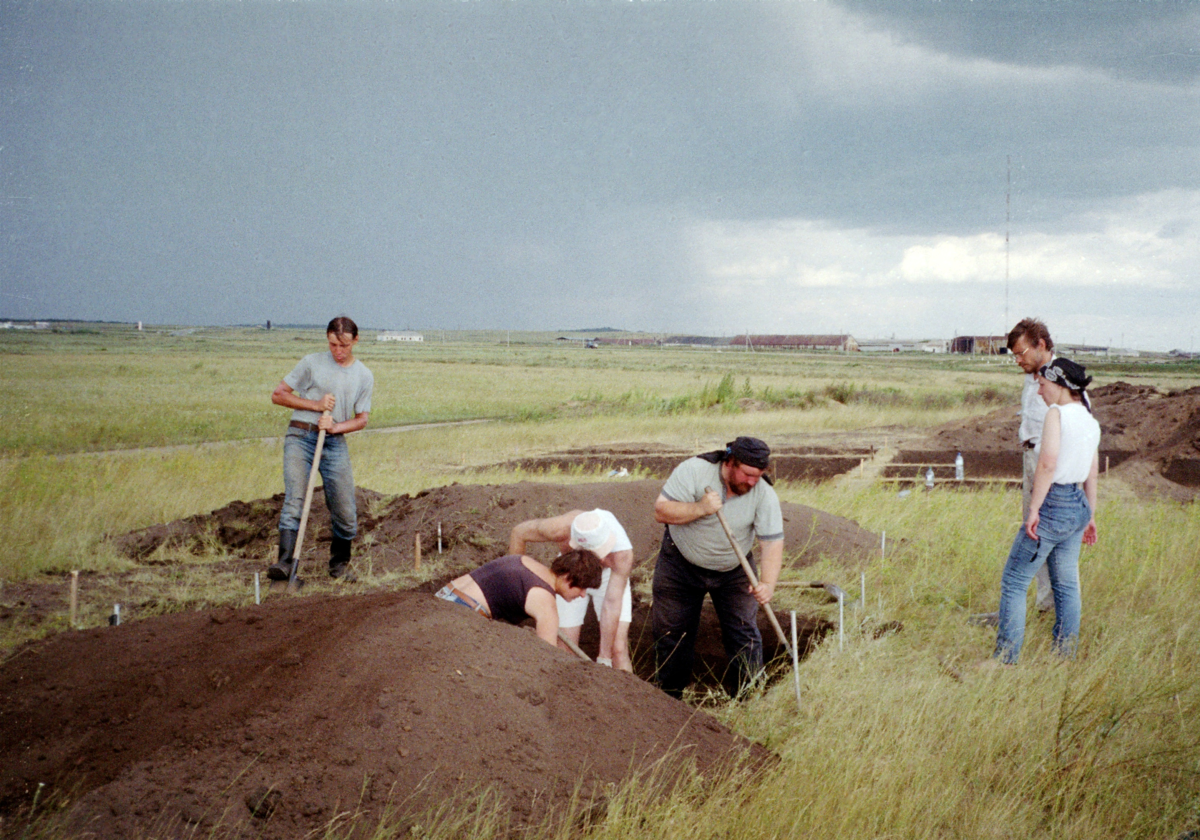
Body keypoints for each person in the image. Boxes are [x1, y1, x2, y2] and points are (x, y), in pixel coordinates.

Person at [651, 436, 784, 698]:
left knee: (744, 634)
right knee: (672, 634)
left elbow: (772, 542)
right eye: (747, 474)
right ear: (730, 462)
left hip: (735, 570)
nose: (752, 482)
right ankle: (669, 699)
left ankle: (748, 701)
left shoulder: (763, 493)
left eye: (758, 476)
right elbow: (661, 512)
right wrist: (701, 508)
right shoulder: (694, 471)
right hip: (680, 564)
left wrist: (767, 584)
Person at [992, 358, 1099, 664]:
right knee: (1066, 584)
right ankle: (1064, 655)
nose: (1039, 392)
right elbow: (1091, 473)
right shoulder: (1090, 420)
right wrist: (1090, 515)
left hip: (1052, 505)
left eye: (1042, 384)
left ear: (1059, 382)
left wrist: (1034, 509)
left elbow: (1047, 463)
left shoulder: (1057, 414)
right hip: (1076, 506)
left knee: (1014, 581)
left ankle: (1004, 659)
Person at [266, 316, 373, 583]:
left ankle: (339, 566)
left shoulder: (364, 375)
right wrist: (315, 406)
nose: (338, 351)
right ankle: (285, 564)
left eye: (344, 345)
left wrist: (336, 427)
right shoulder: (311, 363)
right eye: (333, 345)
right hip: (300, 436)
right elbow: (278, 394)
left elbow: (362, 419)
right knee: (295, 500)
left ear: (356, 340)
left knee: (345, 508)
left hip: (334, 443)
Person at [509, 509, 635, 670]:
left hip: (609, 575)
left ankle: (624, 694)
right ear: (576, 544)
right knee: (564, 647)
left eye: (605, 549)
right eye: (597, 555)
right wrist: (515, 585)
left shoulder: (621, 554)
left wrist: (604, 658)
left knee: (617, 649)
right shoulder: (559, 530)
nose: (603, 558)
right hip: (572, 572)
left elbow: (612, 604)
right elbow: (519, 532)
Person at [435, 550, 603, 646]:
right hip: (463, 612)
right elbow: (548, 657)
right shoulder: (546, 603)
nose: (582, 595)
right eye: (582, 587)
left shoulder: (526, 561)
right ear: (568, 578)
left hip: (443, 596)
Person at [1006, 318, 1058, 613]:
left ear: (1041, 344)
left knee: (1047, 533)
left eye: (1021, 353)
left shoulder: (1062, 376)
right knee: (1034, 533)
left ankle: (1053, 608)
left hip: (1049, 461)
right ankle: (1044, 605)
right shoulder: (1031, 374)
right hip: (1031, 457)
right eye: (1014, 355)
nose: (1017, 361)